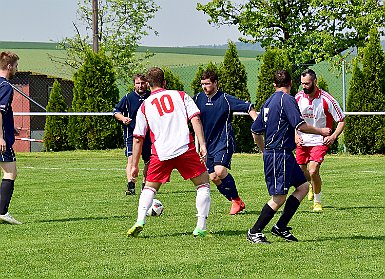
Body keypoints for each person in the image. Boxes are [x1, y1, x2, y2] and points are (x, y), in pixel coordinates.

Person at [246, 70, 331, 244]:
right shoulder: (288, 100)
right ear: (291, 83)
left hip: (281, 153)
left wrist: (264, 150)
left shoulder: (269, 101)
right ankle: (254, 231)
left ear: (274, 84)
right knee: (279, 198)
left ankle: (281, 227)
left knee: (303, 187)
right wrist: (321, 131)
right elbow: (301, 125)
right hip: (279, 154)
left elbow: (255, 130)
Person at [127, 67, 211, 237]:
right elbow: (195, 117)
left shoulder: (145, 106)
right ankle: (200, 227)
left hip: (161, 152)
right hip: (184, 148)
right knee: (203, 185)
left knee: (149, 188)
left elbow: (137, 137)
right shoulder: (180, 95)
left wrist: (134, 166)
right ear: (164, 82)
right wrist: (202, 144)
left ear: (148, 84)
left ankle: (140, 220)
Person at [193, 70, 257, 215]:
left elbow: (248, 107)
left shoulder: (225, 99)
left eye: (207, 84)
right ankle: (236, 200)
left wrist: (257, 123)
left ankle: (235, 201)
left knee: (220, 171)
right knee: (213, 177)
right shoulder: (197, 98)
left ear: (216, 83)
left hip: (223, 141)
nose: (204, 87)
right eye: (202, 84)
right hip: (207, 145)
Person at [295, 69, 345, 212]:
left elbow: (341, 120)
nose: (304, 86)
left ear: (315, 82)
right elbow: (293, 120)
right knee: (301, 170)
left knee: (313, 170)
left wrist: (333, 136)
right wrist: (295, 135)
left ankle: (317, 202)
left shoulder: (327, 99)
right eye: (302, 83)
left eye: (307, 83)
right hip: (303, 140)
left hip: (320, 140)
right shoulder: (298, 98)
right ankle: (311, 184)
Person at [113, 74, 151, 195]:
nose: (140, 85)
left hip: (149, 135)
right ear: (134, 84)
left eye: (143, 83)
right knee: (131, 159)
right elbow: (116, 112)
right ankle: (131, 185)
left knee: (149, 161)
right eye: (138, 83)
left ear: (147, 84)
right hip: (132, 135)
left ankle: (145, 186)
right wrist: (123, 118)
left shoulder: (151, 97)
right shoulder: (128, 97)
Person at [0, 51, 22, 225]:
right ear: (9, 66)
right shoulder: (5, 86)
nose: (16, 69)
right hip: (1, 139)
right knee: (10, 172)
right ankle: (2, 212)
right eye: (15, 66)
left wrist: (10, 126)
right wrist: (1, 137)